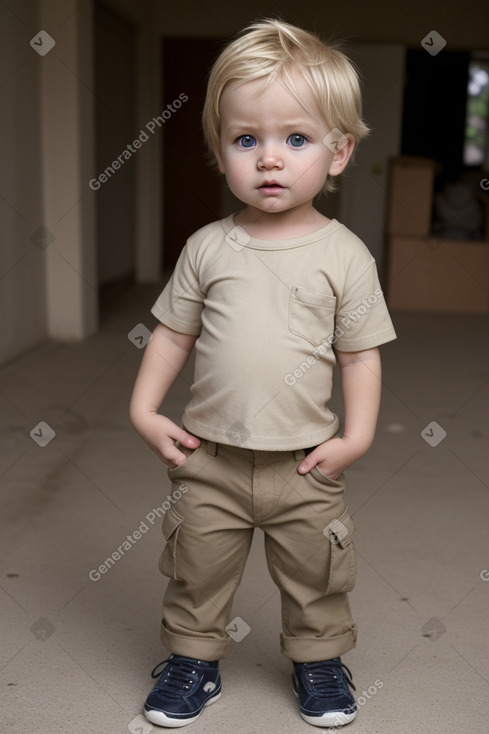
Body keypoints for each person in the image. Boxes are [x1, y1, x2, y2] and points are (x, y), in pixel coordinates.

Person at [129, 17, 396, 729]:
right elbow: (171, 335)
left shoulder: (345, 257)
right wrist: (144, 409)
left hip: (305, 463)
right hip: (209, 456)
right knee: (197, 568)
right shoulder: (207, 247)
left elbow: (359, 354)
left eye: (295, 139)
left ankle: (317, 659)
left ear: (339, 153)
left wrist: (357, 436)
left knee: (315, 573)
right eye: (246, 139)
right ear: (219, 151)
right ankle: (192, 660)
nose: (269, 159)